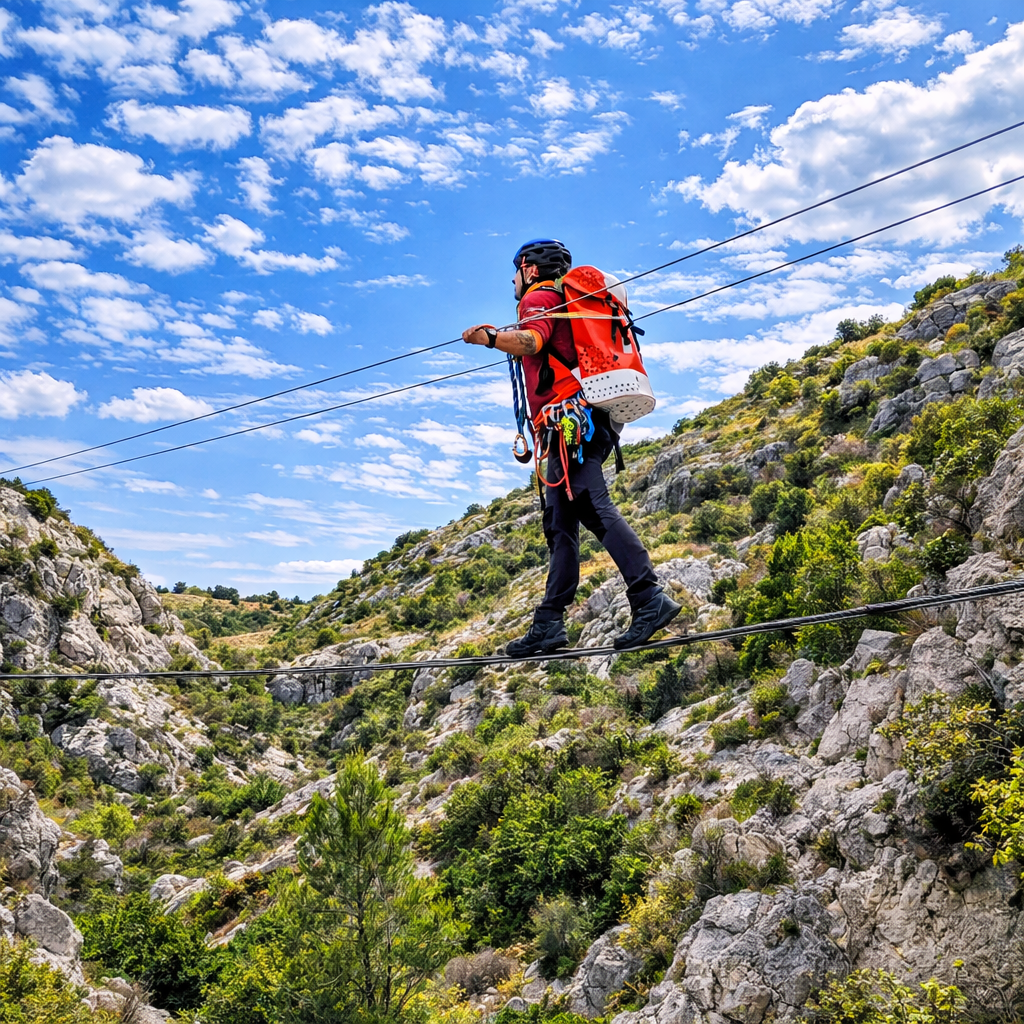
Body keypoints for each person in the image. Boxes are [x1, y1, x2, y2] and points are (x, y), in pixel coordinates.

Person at [462, 238, 681, 655]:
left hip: (569, 424)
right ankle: (549, 623)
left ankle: (649, 598)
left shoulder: (539, 297)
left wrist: (490, 338)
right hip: (580, 422)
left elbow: (532, 341)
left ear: (528, 268)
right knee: (560, 526)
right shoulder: (562, 299)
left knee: (592, 505)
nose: (512, 279)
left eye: (514, 270)